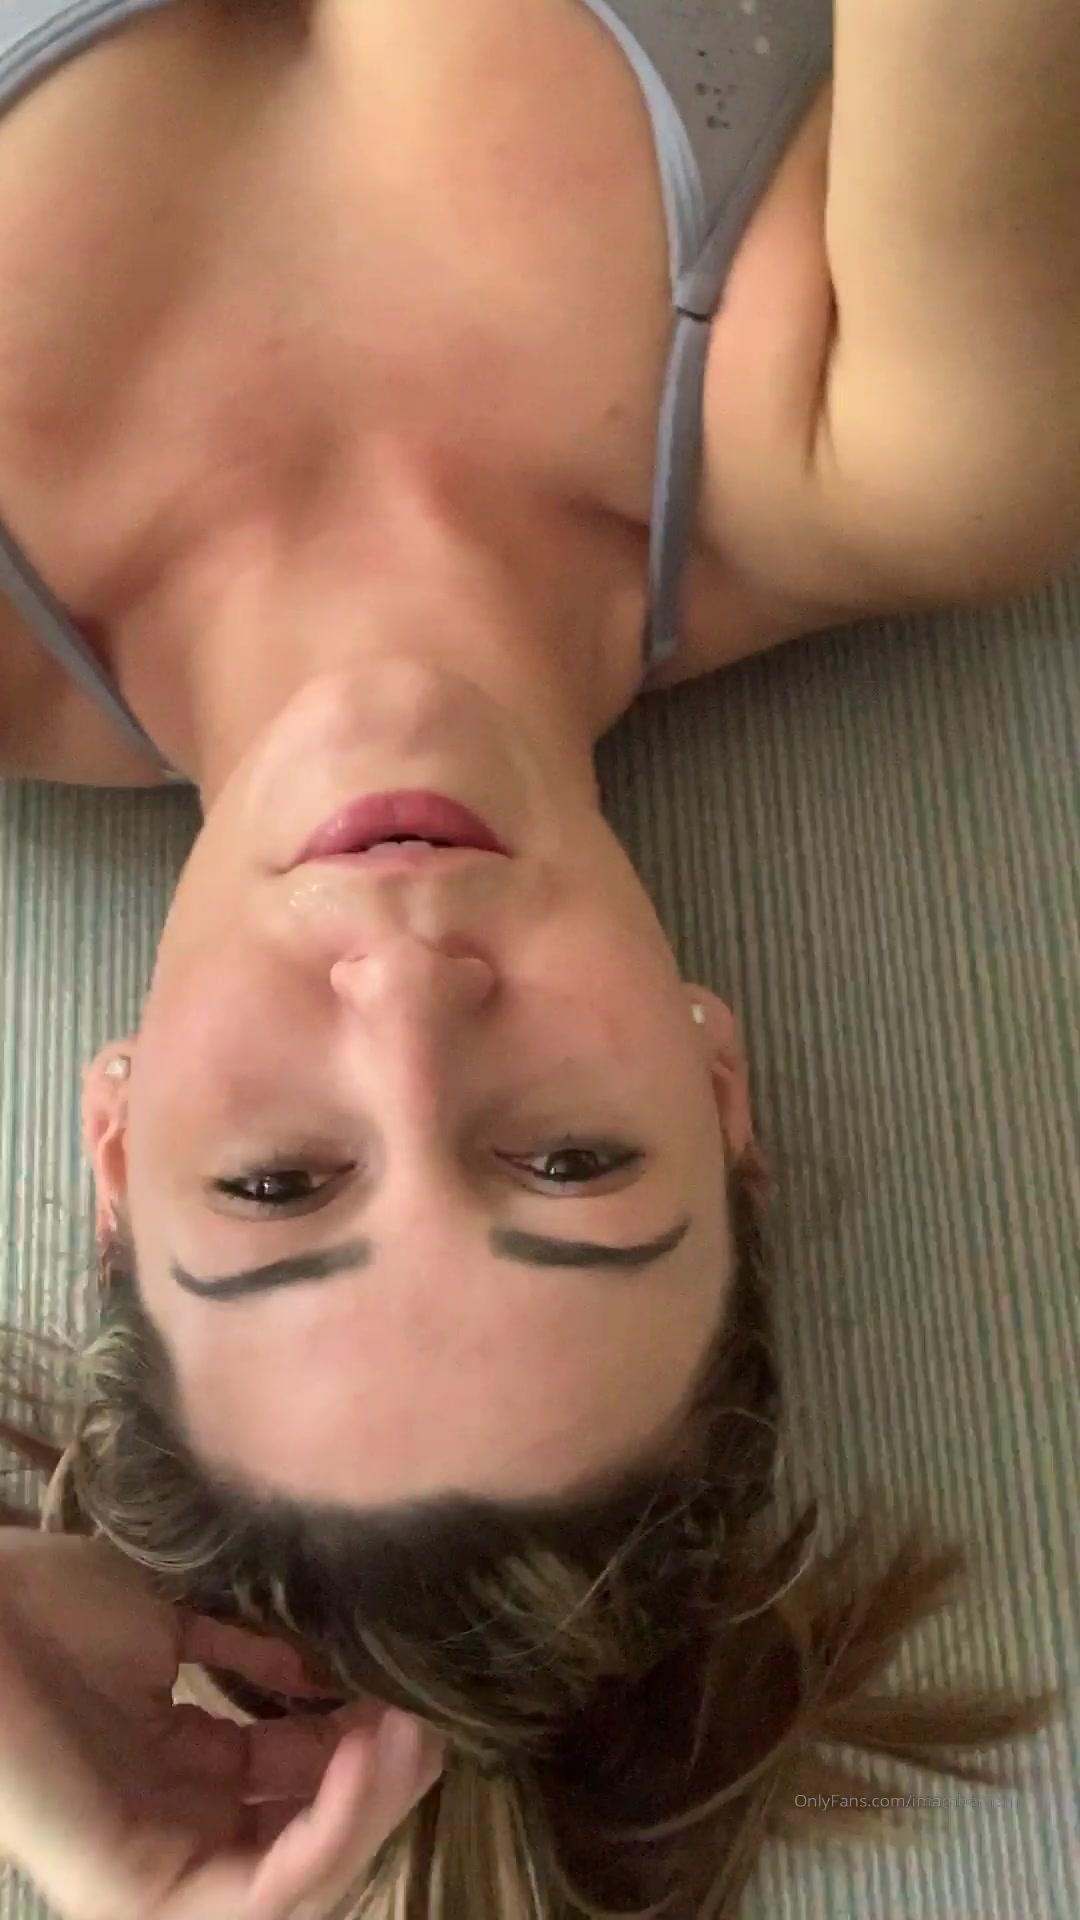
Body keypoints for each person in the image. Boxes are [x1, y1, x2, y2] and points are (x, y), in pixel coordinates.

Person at [0, 0, 1076, 1914]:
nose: (407, 993)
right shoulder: (919, 444)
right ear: (718, 1085)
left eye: (280, 1181)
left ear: (117, 1142)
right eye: (569, 1157)